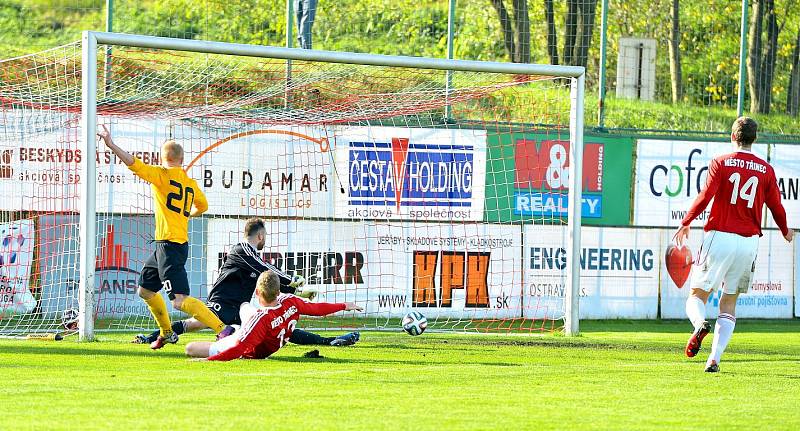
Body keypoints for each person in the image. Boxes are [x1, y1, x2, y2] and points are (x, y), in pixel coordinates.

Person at [674, 116, 793, 372]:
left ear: (732, 136)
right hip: (749, 242)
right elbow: (776, 207)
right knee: (729, 303)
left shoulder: (721, 162)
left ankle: (698, 325)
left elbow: (706, 196)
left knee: (697, 295)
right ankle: (714, 358)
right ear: (755, 139)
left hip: (720, 235)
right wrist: (785, 231)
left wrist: (686, 221)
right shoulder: (766, 169)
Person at [97, 125, 229, 349]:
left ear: (162, 157)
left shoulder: (162, 175)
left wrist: (111, 145)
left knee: (179, 300)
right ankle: (166, 331)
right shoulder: (189, 182)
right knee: (145, 290)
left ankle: (222, 330)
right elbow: (203, 205)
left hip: (171, 246)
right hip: (165, 245)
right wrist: (185, 216)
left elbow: (134, 164)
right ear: (182, 159)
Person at [133, 217, 359, 347]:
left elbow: (267, 282)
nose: (265, 241)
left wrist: (296, 292)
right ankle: (151, 337)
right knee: (192, 324)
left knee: (277, 327)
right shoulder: (241, 250)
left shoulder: (253, 257)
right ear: (260, 236)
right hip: (221, 304)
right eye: (265, 237)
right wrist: (292, 281)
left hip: (240, 308)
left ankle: (329, 341)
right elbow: (264, 269)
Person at [186, 270, 363, 360]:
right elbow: (317, 309)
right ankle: (231, 329)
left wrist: (209, 360)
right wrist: (344, 305)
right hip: (271, 336)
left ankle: (228, 331)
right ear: (278, 291)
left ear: (257, 292)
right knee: (245, 308)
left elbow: (240, 349)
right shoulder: (290, 301)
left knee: (190, 348)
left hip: (252, 348)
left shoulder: (261, 319)